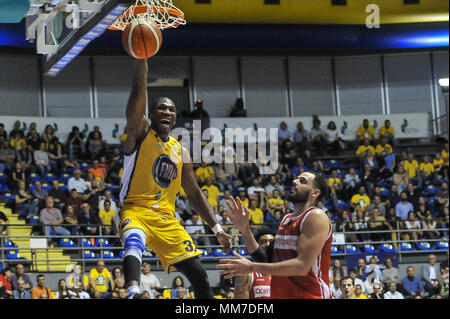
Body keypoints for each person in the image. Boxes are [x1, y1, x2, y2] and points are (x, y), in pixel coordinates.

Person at [118, 59, 232, 299]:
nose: (167, 111)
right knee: (133, 241)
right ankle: (132, 292)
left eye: (171, 109)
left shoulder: (181, 152)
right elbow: (138, 88)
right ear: (149, 115)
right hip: (136, 210)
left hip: (167, 219)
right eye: (161, 108)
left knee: (199, 274)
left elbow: (195, 194)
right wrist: (142, 58)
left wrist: (217, 228)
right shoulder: (139, 134)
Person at [217, 171, 332, 299]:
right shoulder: (286, 219)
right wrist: (245, 230)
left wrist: (251, 267)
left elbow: (302, 266)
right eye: (296, 179)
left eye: (302, 181)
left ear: (315, 193)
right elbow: (266, 260)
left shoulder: (315, 217)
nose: (295, 181)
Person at [234, 233, 274, 299]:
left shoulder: (286, 272)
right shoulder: (247, 273)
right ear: (256, 247)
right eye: (263, 242)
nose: (268, 244)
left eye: (271, 242)